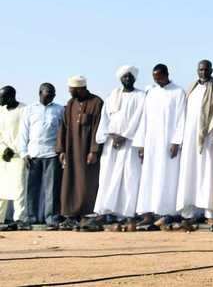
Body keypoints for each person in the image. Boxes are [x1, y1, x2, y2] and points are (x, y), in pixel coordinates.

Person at [176, 60, 213, 231]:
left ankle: (209, 214)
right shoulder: (191, 88)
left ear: (212, 70)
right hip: (190, 138)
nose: (203, 72)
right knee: (189, 174)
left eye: (206, 69)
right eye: (200, 69)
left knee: (208, 174)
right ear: (197, 70)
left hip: (209, 137)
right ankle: (189, 215)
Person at [134, 64, 186, 230]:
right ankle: (147, 213)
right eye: (154, 78)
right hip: (151, 142)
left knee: (167, 176)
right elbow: (144, 119)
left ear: (166, 74)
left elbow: (181, 118)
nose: (157, 80)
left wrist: (176, 141)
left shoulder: (178, 92)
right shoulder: (152, 93)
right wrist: (141, 144)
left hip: (168, 143)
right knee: (149, 177)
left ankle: (165, 212)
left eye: (159, 77)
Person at [93, 66, 145, 231]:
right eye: (124, 77)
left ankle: (127, 213)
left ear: (135, 79)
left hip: (131, 143)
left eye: (130, 77)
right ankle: (106, 211)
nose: (127, 79)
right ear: (120, 79)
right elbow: (105, 118)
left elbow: (139, 118)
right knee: (108, 176)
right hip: (111, 142)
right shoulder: (112, 96)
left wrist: (125, 135)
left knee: (130, 177)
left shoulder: (141, 96)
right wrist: (111, 135)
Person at [55, 76, 103, 231]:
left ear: (80, 88)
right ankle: (70, 215)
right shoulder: (70, 104)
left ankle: (86, 214)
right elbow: (63, 127)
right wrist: (61, 149)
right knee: (69, 181)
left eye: (71, 89)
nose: (69, 91)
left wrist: (94, 150)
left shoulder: (96, 103)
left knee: (86, 182)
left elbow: (98, 128)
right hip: (71, 150)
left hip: (87, 152)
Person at [18, 83, 63, 228]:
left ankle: (51, 218)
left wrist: (61, 151)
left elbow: (62, 132)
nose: (51, 95)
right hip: (33, 154)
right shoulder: (29, 110)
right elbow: (23, 133)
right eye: (48, 92)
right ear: (40, 93)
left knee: (52, 188)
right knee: (32, 188)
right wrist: (24, 153)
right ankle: (31, 217)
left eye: (53, 93)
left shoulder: (59, 109)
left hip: (52, 154)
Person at [0, 86, 29, 230]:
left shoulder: (24, 110)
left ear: (11, 96)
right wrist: (4, 149)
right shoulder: (1, 111)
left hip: (18, 156)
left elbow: (25, 133)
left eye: (3, 97)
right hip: (3, 156)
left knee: (19, 188)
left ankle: (19, 219)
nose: (0, 100)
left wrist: (14, 149)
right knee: (1, 188)